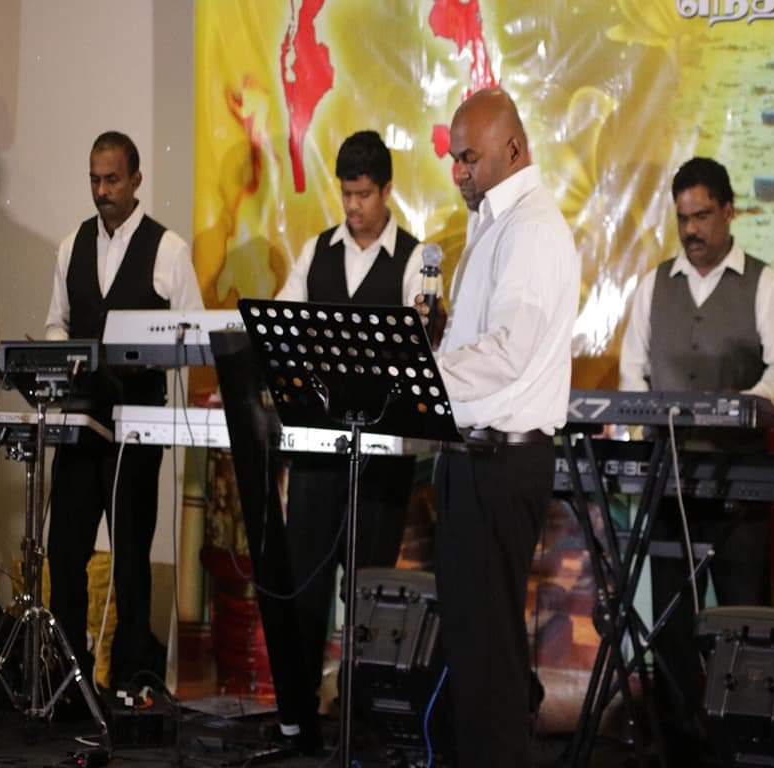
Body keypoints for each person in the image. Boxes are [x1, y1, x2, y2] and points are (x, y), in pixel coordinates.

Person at [416, 88, 580, 767]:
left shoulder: (532, 228)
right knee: (473, 652)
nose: (458, 171)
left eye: (469, 158)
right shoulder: (492, 223)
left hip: (501, 461)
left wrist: (421, 376)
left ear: (513, 149)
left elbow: (510, 351)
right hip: (472, 457)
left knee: (489, 659)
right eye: (454, 159)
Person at [618, 156, 774, 759]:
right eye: (682, 219)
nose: (691, 230)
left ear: (729, 212)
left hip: (739, 482)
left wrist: (738, 409)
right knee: (670, 626)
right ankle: (678, 747)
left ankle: (748, 746)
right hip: (668, 482)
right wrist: (646, 415)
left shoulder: (764, 285)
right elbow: (632, 370)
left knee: (744, 619)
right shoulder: (653, 286)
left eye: (702, 216)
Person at [269, 130, 432, 751]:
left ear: (387, 191)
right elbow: (283, 325)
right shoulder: (316, 252)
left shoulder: (415, 260)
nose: (354, 206)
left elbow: (422, 344)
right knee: (306, 586)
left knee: (368, 590)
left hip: (381, 459)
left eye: (364, 194)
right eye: (346, 194)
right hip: (317, 453)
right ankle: (300, 718)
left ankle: (361, 719)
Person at [44, 131, 203, 693]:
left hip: (138, 427)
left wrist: (150, 353)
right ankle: (68, 681)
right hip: (79, 425)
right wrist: (62, 355)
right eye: (94, 179)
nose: (101, 190)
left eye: (112, 179)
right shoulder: (71, 245)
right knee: (65, 553)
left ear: (136, 179)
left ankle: (133, 684)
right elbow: (56, 324)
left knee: (132, 557)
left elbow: (194, 336)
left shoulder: (168, 250)